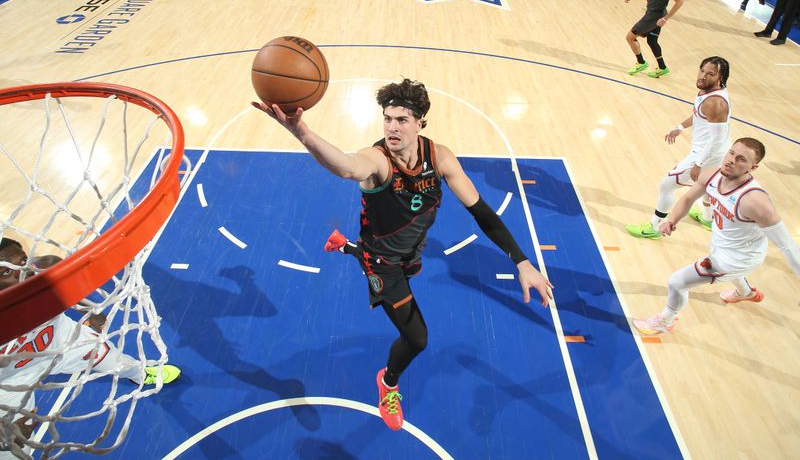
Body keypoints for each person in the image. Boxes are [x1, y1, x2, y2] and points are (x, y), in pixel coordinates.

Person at [252, 79, 554, 431]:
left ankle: (346, 244)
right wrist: (302, 132)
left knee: (398, 266)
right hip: (383, 264)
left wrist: (522, 261)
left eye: (402, 120)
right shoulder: (377, 160)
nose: (392, 128)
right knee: (417, 338)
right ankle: (388, 383)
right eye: (387, 119)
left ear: (420, 122)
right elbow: (347, 166)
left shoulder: (439, 157)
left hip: (412, 251)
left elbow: (483, 212)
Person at [0, 238, 181, 453]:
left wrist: (91, 312)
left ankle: (141, 374)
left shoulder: (43, 268)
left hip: (63, 342)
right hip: (11, 379)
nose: (23, 271)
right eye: (6, 272)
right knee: (16, 444)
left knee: (116, 360)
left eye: (22, 261)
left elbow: (69, 289)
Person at [632, 138, 800, 334]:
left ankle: (665, 321)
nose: (731, 160)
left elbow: (787, 245)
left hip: (735, 260)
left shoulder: (755, 201)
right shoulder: (713, 174)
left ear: (753, 167)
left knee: (677, 282)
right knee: (728, 273)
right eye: (731, 153)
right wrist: (671, 221)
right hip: (725, 245)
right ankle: (746, 292)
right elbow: (687, 198)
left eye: (741, 159)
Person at [627, 56, 732, 239]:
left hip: (708, 155)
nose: (703, 76)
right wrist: (680, 128)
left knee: (666, 186)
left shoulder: (715, 103)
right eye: (702, 71)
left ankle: (654, 227)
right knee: (706, 186)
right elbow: (699, 115)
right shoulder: (709, 93)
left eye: (710, 74)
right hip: (716, 154)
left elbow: (716, 139)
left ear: (720, 77)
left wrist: (698, 164)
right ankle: (707, 218)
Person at [625, 0, 684, 79]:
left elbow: (680, 1)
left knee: (630, 37)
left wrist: (666, 18)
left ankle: (641, 63)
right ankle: (662, 68)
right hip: (652, 13)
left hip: (654, 17)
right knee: (652, 41)